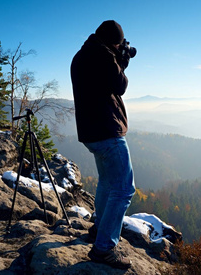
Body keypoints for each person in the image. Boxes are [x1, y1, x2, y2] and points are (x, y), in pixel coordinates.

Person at [70, 20, 135, 269]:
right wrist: (122, 60)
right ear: (113, 41)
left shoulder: (82, 54)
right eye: (119, 43)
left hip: (90, 133)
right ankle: (104, 248)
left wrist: (117, 58)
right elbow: (120, 85)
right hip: (107, 131)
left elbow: (105, 84)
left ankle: (98, 229)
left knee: (107, 183)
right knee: (124, 188)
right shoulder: (103, 54)